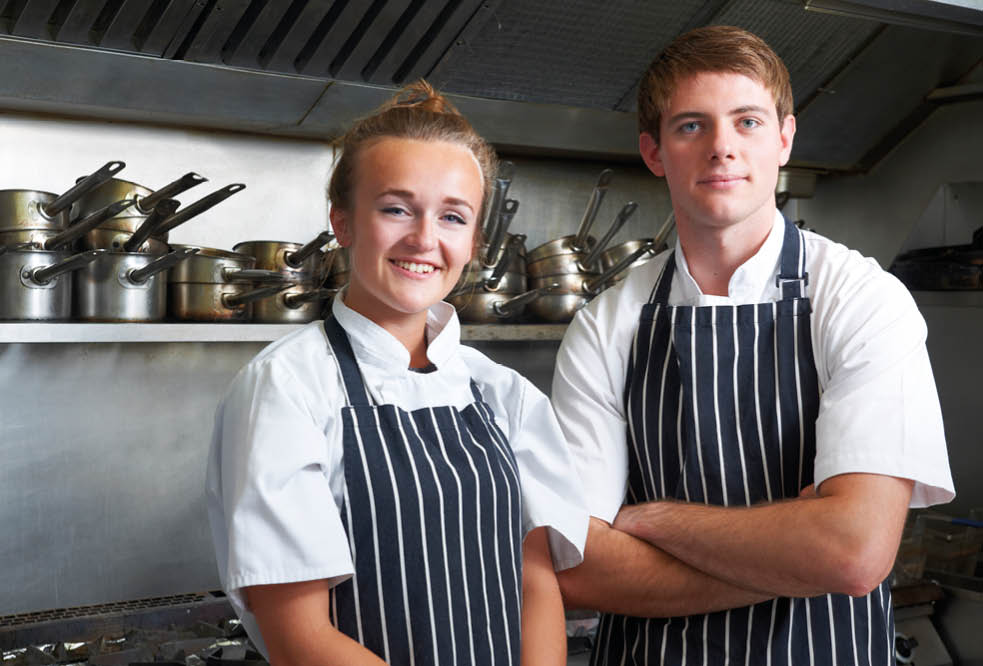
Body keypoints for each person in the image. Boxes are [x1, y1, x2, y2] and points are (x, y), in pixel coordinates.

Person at [551, 25, 954, 665]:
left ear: (785, 140)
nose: (722, 149)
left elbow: (853, 553)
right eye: (691, 126)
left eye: (747, 122)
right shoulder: (607, 324)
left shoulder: (860, 299)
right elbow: (577, 571)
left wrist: (653, 523)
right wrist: (796, 554)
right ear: (654, 152)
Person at [206, 81, 588, 666]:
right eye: (395, 209)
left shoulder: (501, 393)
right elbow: (298, 638)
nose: (424, 239)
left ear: (474, 242)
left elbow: (535, 590)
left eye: (452, 217)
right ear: (343, 223)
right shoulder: (288, 387)